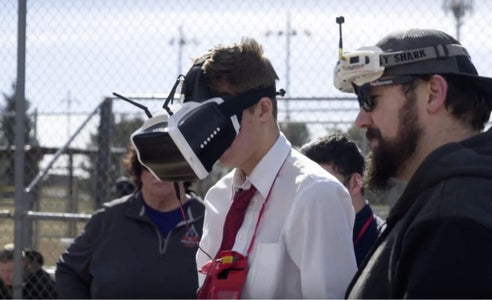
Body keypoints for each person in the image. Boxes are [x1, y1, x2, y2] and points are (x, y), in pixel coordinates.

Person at [337, 29, 492, 298]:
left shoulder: (460, 217)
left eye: (369, 99)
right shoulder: (479, 197)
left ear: (433, 93)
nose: (360, 120)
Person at [191, 38, 356, 298]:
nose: (209, 134)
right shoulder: (219, 197)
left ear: (263, 109)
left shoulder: (315, 196)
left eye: (220, 118)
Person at [55, 145, 205, 298]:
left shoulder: (210, 220)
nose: (157, 173)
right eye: (149, 165)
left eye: (167, 163)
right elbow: (67, 269)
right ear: (138, 171)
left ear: (186, 169)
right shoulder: (108, 218)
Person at [300, 132, 383, 266]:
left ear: (355, 183)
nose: (309, 194)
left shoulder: (385, 246)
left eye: (321, 184)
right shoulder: (306, 238)